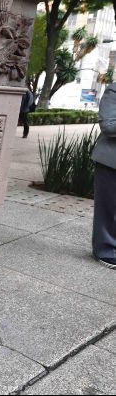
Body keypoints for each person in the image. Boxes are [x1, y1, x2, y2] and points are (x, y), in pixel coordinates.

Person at [92, 81, 116, 269]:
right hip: (110, 161)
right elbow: (108, 125)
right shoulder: (114, 89)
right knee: (107, 210)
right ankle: (104, 251)